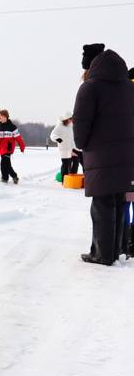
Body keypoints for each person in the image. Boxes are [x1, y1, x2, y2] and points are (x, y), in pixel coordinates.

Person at [71, 43, 134, 265]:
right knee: (120, 201)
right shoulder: (129, 87)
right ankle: (116, 250)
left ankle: (102, 254)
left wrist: (82, 145)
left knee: (102, 204)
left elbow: (81, 125)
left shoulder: (90, 88)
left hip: (102, 155)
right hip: (128, 156)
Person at [0, 109, 25, 184]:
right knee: (7, 164)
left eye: (2, 117)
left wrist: (22, 146)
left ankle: (5, 178)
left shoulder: (12, 127)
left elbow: (18, 138)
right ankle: (14, 176)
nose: (0, 118)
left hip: (8, 148)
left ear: (6, 117)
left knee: (3, 163)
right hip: (0, 148)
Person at [49, 111, 80, 181]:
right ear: (66, 119)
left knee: (76, 163)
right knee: (66, 165)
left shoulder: (72, 125)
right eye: (70, 119)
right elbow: (52, 135)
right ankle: (64, 180)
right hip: (64, 149)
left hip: (73, 148)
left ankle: (73, 179)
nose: (72, 120)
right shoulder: (59, 126)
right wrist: (57, 138)